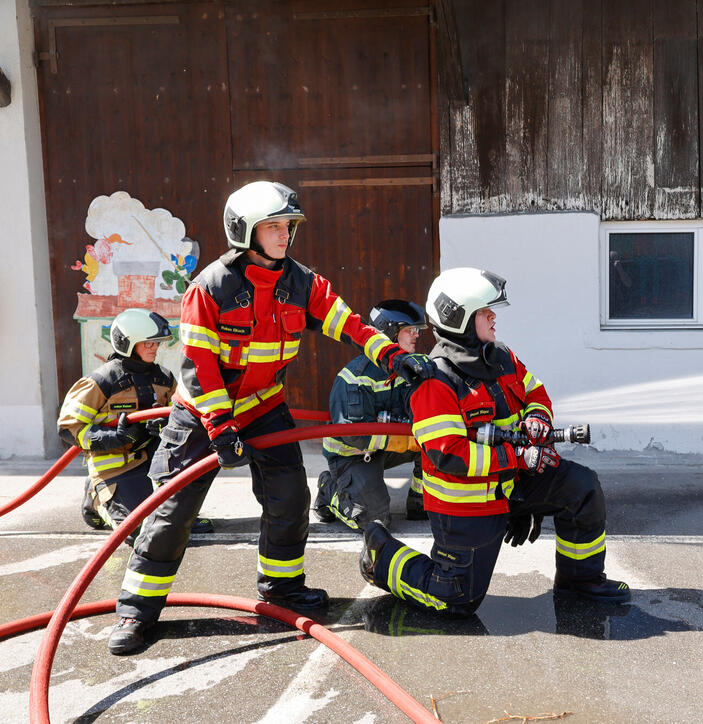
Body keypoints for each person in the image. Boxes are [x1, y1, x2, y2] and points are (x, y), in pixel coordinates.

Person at [107, 181, 434, 655]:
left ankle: (280, 587)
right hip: (202, 414)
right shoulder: (210, 289)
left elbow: (350, 323)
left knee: (290, 497)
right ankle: (136, 611)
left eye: (288, 226)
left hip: (264, 407)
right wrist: (220, 427)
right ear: (245, 230)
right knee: (173, 514)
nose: (285, 236)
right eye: (274, 226)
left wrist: (390, 356)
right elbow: (200, 365)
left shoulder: (303, 282)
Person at [358, 267, 630, 617]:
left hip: (514, 482)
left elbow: (535, 391)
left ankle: (581, 580)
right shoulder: (434, 381)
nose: (493, 317)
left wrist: (537, 418)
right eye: (485, 311)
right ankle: (382, 556)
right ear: (459, 318)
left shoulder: (500, 356)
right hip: (468, 506)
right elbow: (449, 455)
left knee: (582, 487)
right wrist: (517, 457)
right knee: (455, 599)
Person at [57, 309, 213, 540]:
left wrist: (164, 425)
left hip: (153, 466)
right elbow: (68, 428)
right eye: (147, 343)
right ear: (126, 343)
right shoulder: (101, 382)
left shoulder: (164, 378)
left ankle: (173, 506)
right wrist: (117, 438)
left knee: (173, 527)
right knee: (140, 533)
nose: (154, 348)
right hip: (115, 467)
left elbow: (182, 416)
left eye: (156, 343)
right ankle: (96, 495)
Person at [314, 299, 428, 530]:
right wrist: (404, 439)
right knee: (373, 521)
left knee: (436, 444)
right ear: (390, 334)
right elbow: (354, 435)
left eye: (416, 330)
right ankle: (329, 489)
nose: (416, 335)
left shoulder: (414, 369)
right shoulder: (356, 378)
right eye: (409, 330)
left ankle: (420, 500)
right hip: (353, 454)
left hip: (388, 448)